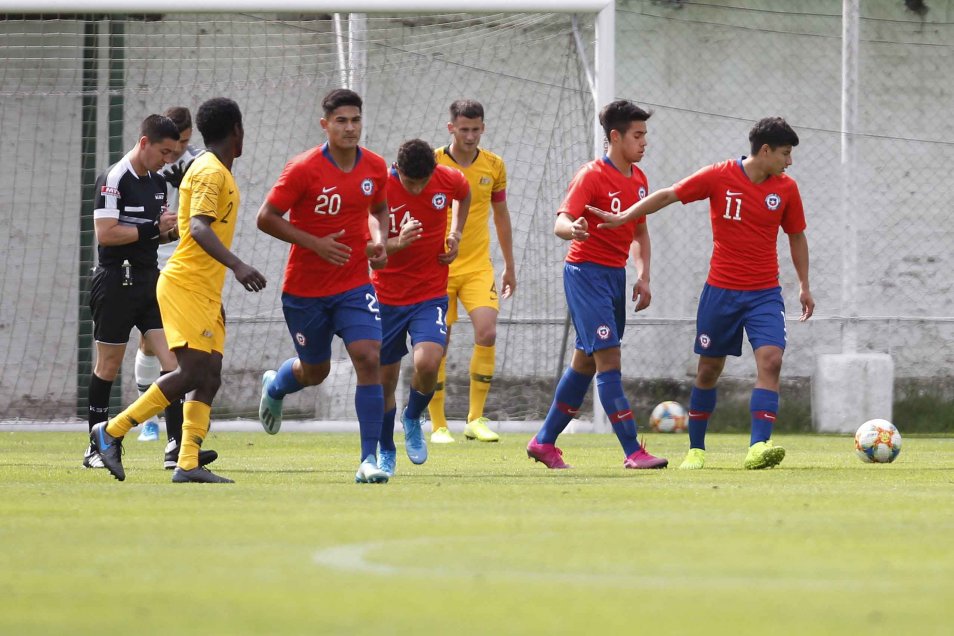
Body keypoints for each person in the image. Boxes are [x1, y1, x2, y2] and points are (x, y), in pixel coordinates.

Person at [588, 116, 814, 470]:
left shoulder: (786, 189)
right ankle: (696, 449)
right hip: (721, 293)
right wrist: (624, 217)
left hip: (764, 294)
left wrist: (804, 285)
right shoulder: (719, 175)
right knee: (708, 371)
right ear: (765, 150)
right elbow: (669, 194)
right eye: (785, 153)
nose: (790, 161)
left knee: (772, 360)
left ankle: (759, 446)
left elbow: (796, 236)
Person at [89, 97, 267, 483]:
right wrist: (238, 266)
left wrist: (216, 293)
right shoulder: (209, 171)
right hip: (185, 283)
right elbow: (198, 228)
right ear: (237, 130)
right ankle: (111, 431)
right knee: (190, 370)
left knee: (209, 374)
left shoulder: (216, 169)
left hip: (204, 289)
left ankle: (187, 462)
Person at [256, 88, 391, 484]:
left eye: (355, 120)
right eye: (341, 121)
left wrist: (380, 239)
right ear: (325, 124)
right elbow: (266, 217)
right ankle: (276, 386)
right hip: (305, 291)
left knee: (369, 357)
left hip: (354, 285)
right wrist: (314, 243)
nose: (350, 128)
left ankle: (368, 460)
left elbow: (379, 209)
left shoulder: (375, 167)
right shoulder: (303, 168)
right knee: (315, 371)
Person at [526, 99, 667, 471]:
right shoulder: (590, 175)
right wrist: (572, 229)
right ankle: (633, 451)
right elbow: (561, 221)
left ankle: (543, 442)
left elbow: (639, 233)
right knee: (609, 359)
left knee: (585, 363)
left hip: (614, 277)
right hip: (585, 274)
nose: (644, 142)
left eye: (645, 135)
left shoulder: (639, 180)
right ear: (615, 137)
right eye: (637, 135)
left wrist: (644, 276)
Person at [81, 114, 182, 470]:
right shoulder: (113, 178)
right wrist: (153, 228)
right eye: (163, 152)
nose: (167, 160)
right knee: (108, 365)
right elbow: (107, 234)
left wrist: (176, 230)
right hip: (115, 282)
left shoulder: (159, 183)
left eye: (172, 153)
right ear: (144, 143)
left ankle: (177, 448)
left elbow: (156, 235)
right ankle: (95, 447)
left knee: (173, 364)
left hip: (150, 281)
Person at [372, 139, 470, 477]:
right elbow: (372, 253)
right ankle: (386, 450)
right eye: (410, 182)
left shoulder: (446, 178)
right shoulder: (380, 190)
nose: (417, 188)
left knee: (428, 362)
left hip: (429, 294)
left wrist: (456, 234)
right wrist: (398, 242)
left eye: (423, 182)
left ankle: (413, 417)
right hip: (386, 297)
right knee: (385, 382)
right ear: (397, 170)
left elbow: (464, 192)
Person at [426, 100, 516, 444]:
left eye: (476, 129)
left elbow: (501, 215)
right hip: (438, 266)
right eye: (463, 129)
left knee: (487, 331)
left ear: (483, 128)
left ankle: (475, 419)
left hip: (478, 266)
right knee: (438, 343)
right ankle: (438, 425)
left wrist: (509, 265)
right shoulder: (432, 162)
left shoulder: (494, 165)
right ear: (451, 128)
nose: (470, 136)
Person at [134, 107, 205, 462]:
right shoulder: (150, 165)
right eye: (174, 144)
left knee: (179, 348)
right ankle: (149, 421)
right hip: (157, 260)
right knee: (151, 343)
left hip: (188, 262)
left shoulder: (198, 163)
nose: (178, 150)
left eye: (185, 142)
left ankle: (177, 433)